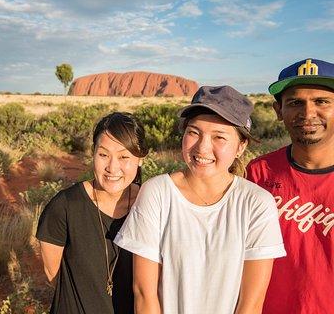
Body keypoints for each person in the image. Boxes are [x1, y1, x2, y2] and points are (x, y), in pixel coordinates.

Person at [115, 85, 286, 314]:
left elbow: (250, 303)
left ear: (240, 146)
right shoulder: (157, 193)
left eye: (219, 137)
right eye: (194, 132)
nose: (203, 148)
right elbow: (144, 293)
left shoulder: (256, 204)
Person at [36, 112, 149, 314]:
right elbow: (53, 273)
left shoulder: (150, 205)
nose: (112, 168)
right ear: (93, 153)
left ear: (140, 159)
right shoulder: (65, 206)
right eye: (103, 154)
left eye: (124, 157)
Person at [246, 58, 334, 314]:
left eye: (322, 101)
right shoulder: (259, 173)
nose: (308, 113)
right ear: (278, 111)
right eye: (295, 102)